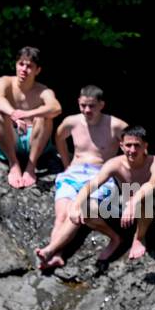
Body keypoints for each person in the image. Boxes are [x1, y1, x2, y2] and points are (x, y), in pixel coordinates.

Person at [35, 86, 128, 271]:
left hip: (100, 175)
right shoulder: (72, 122)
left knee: (74, 212)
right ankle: (58, 256)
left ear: (102, 105)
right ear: (78, 103)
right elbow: (59, 137)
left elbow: (135, 149)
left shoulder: (117, 126)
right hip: (74, 173)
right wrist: (67, 163)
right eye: (83, 105)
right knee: (61, 215)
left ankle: (49, 250)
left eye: (92, 106)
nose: (87, 110)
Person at [69, 126, 155, 262]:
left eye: (137, 145)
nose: (132, 150)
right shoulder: (114, 164)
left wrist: (134, 202)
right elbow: (90, 186)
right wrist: (75, 206)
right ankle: (115, 238)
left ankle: (139, 237)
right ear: (121, 146)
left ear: (145, 146)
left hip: (147, 208)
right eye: (128, 145)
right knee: (85, 208)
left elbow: (154, 182)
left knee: (147, 199)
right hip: (123, 204)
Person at [0, 47, 61, 188]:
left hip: (34, 141)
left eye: (29, 66)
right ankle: (14, 164)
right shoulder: (4, 81)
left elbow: (56, 108)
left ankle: (30, 167)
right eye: (21, 64)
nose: (24, 69)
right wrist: (14, 115)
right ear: (16, 65)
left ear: (37, 70)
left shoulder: (43, 90)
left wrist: (27, 114)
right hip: (10, 138)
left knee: (44, 117)